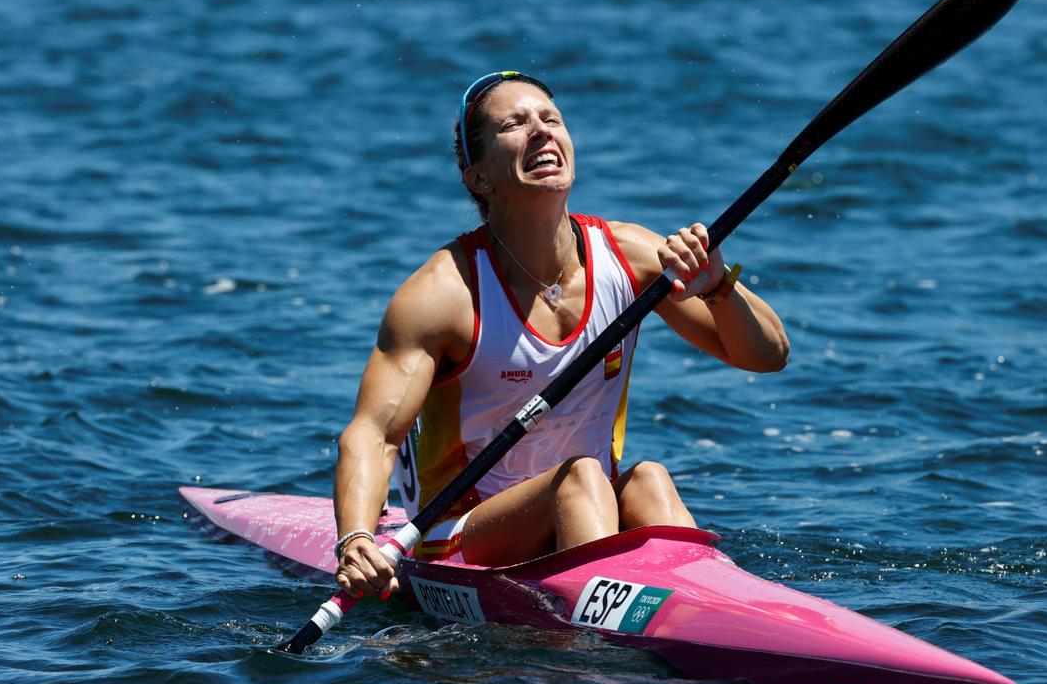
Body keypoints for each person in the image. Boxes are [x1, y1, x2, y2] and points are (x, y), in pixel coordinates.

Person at [334, 71, 789, 600]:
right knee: (580, 478)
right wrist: (358, 540)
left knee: (648, 480)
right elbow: (373, 434)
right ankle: (601, 657)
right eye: (515, 124)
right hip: (458, 536)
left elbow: (768, 356)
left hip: (585, 511)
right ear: (478, 176)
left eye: (552, 119)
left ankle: (710, 609)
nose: (541, 132)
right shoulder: (443, 294)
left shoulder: (632, 255)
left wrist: (718, 289)